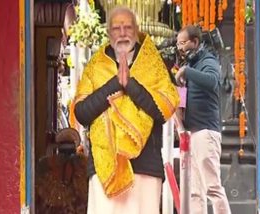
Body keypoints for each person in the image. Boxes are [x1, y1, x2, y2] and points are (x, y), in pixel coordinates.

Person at [72, 6, 179, 214]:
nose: (122, 33)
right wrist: (114, 84)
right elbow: (82, 113)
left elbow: (162, 111)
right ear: (109, 33)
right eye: (117, 28)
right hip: (105, 169)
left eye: (128, 27)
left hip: (145, 167)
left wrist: (131, 85)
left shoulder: (152, 62)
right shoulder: (96, 65)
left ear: (136, 31)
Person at [174, 25, 231, 214]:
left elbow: (212, 82)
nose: (180, 48)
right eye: (178, 44)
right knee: (195, 192)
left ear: (195, 42)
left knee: (212, 188)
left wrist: (187, 72)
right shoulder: (190, 66)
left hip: (206, 133)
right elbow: (185, 98)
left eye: (183, 43)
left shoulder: (208, 60)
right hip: (192, 134)